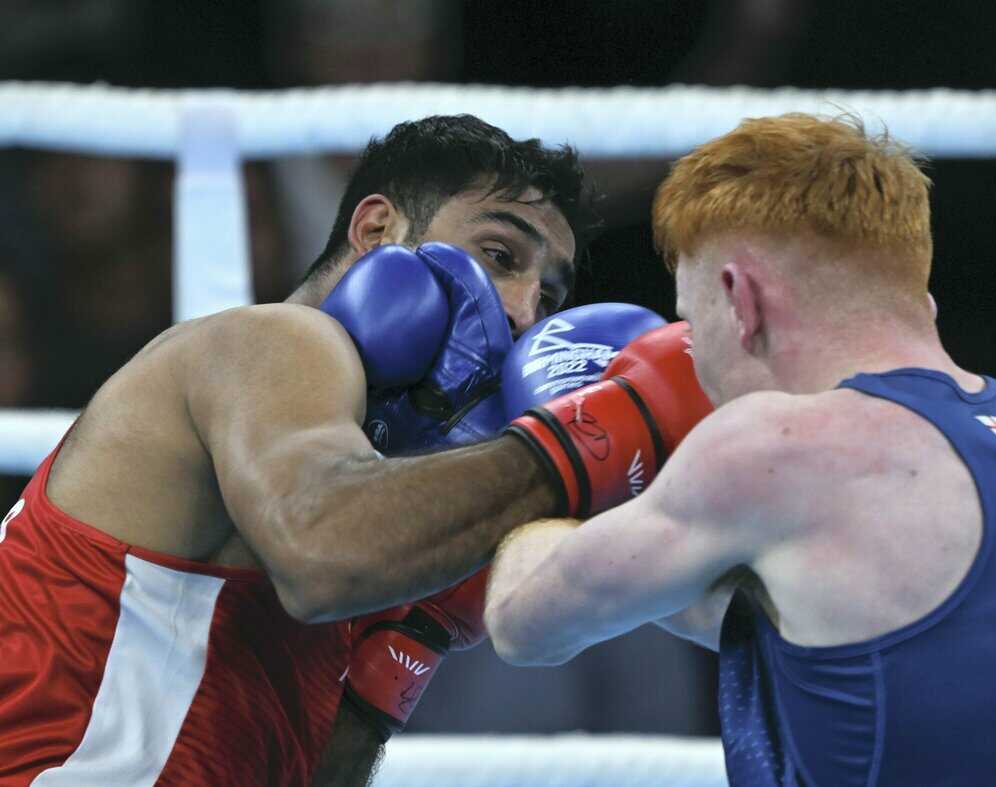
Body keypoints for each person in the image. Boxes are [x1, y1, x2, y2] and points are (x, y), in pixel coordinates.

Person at [0, 113, 692, 787]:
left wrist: (399, 654)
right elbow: (321, 558)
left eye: (548, 296)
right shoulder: (270, 342)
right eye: (500, 257)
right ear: (377, 229)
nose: (522, 313)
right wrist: (591, 437)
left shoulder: (362, 483)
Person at [485, 113, 996, 786]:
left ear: (739, 299)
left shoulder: (780, 449)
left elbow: (523, 622)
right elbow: (868, 639)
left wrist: (561, 454)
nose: (695, 360)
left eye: (693, 323)